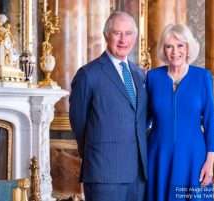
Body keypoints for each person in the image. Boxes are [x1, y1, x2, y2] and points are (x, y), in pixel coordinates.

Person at [69, 11, 148, 201]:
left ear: (135, 38)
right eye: (117, 33)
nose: (123, 39)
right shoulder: (88, 74)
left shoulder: (140, 75)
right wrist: (95, 153)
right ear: (106, 35)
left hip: (138, 174)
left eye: (128, 33)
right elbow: (78, 122)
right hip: (104, 174)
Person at [146, 24, 214, 201]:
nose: (175, 52)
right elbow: (143, 119)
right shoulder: (152, 77)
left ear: (188, 48)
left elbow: (210, 120)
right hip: (158, 154)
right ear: (163, 50)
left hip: (193, 155)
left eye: (180, 46)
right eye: (169, 46)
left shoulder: (202, 77)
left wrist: (210, 161)